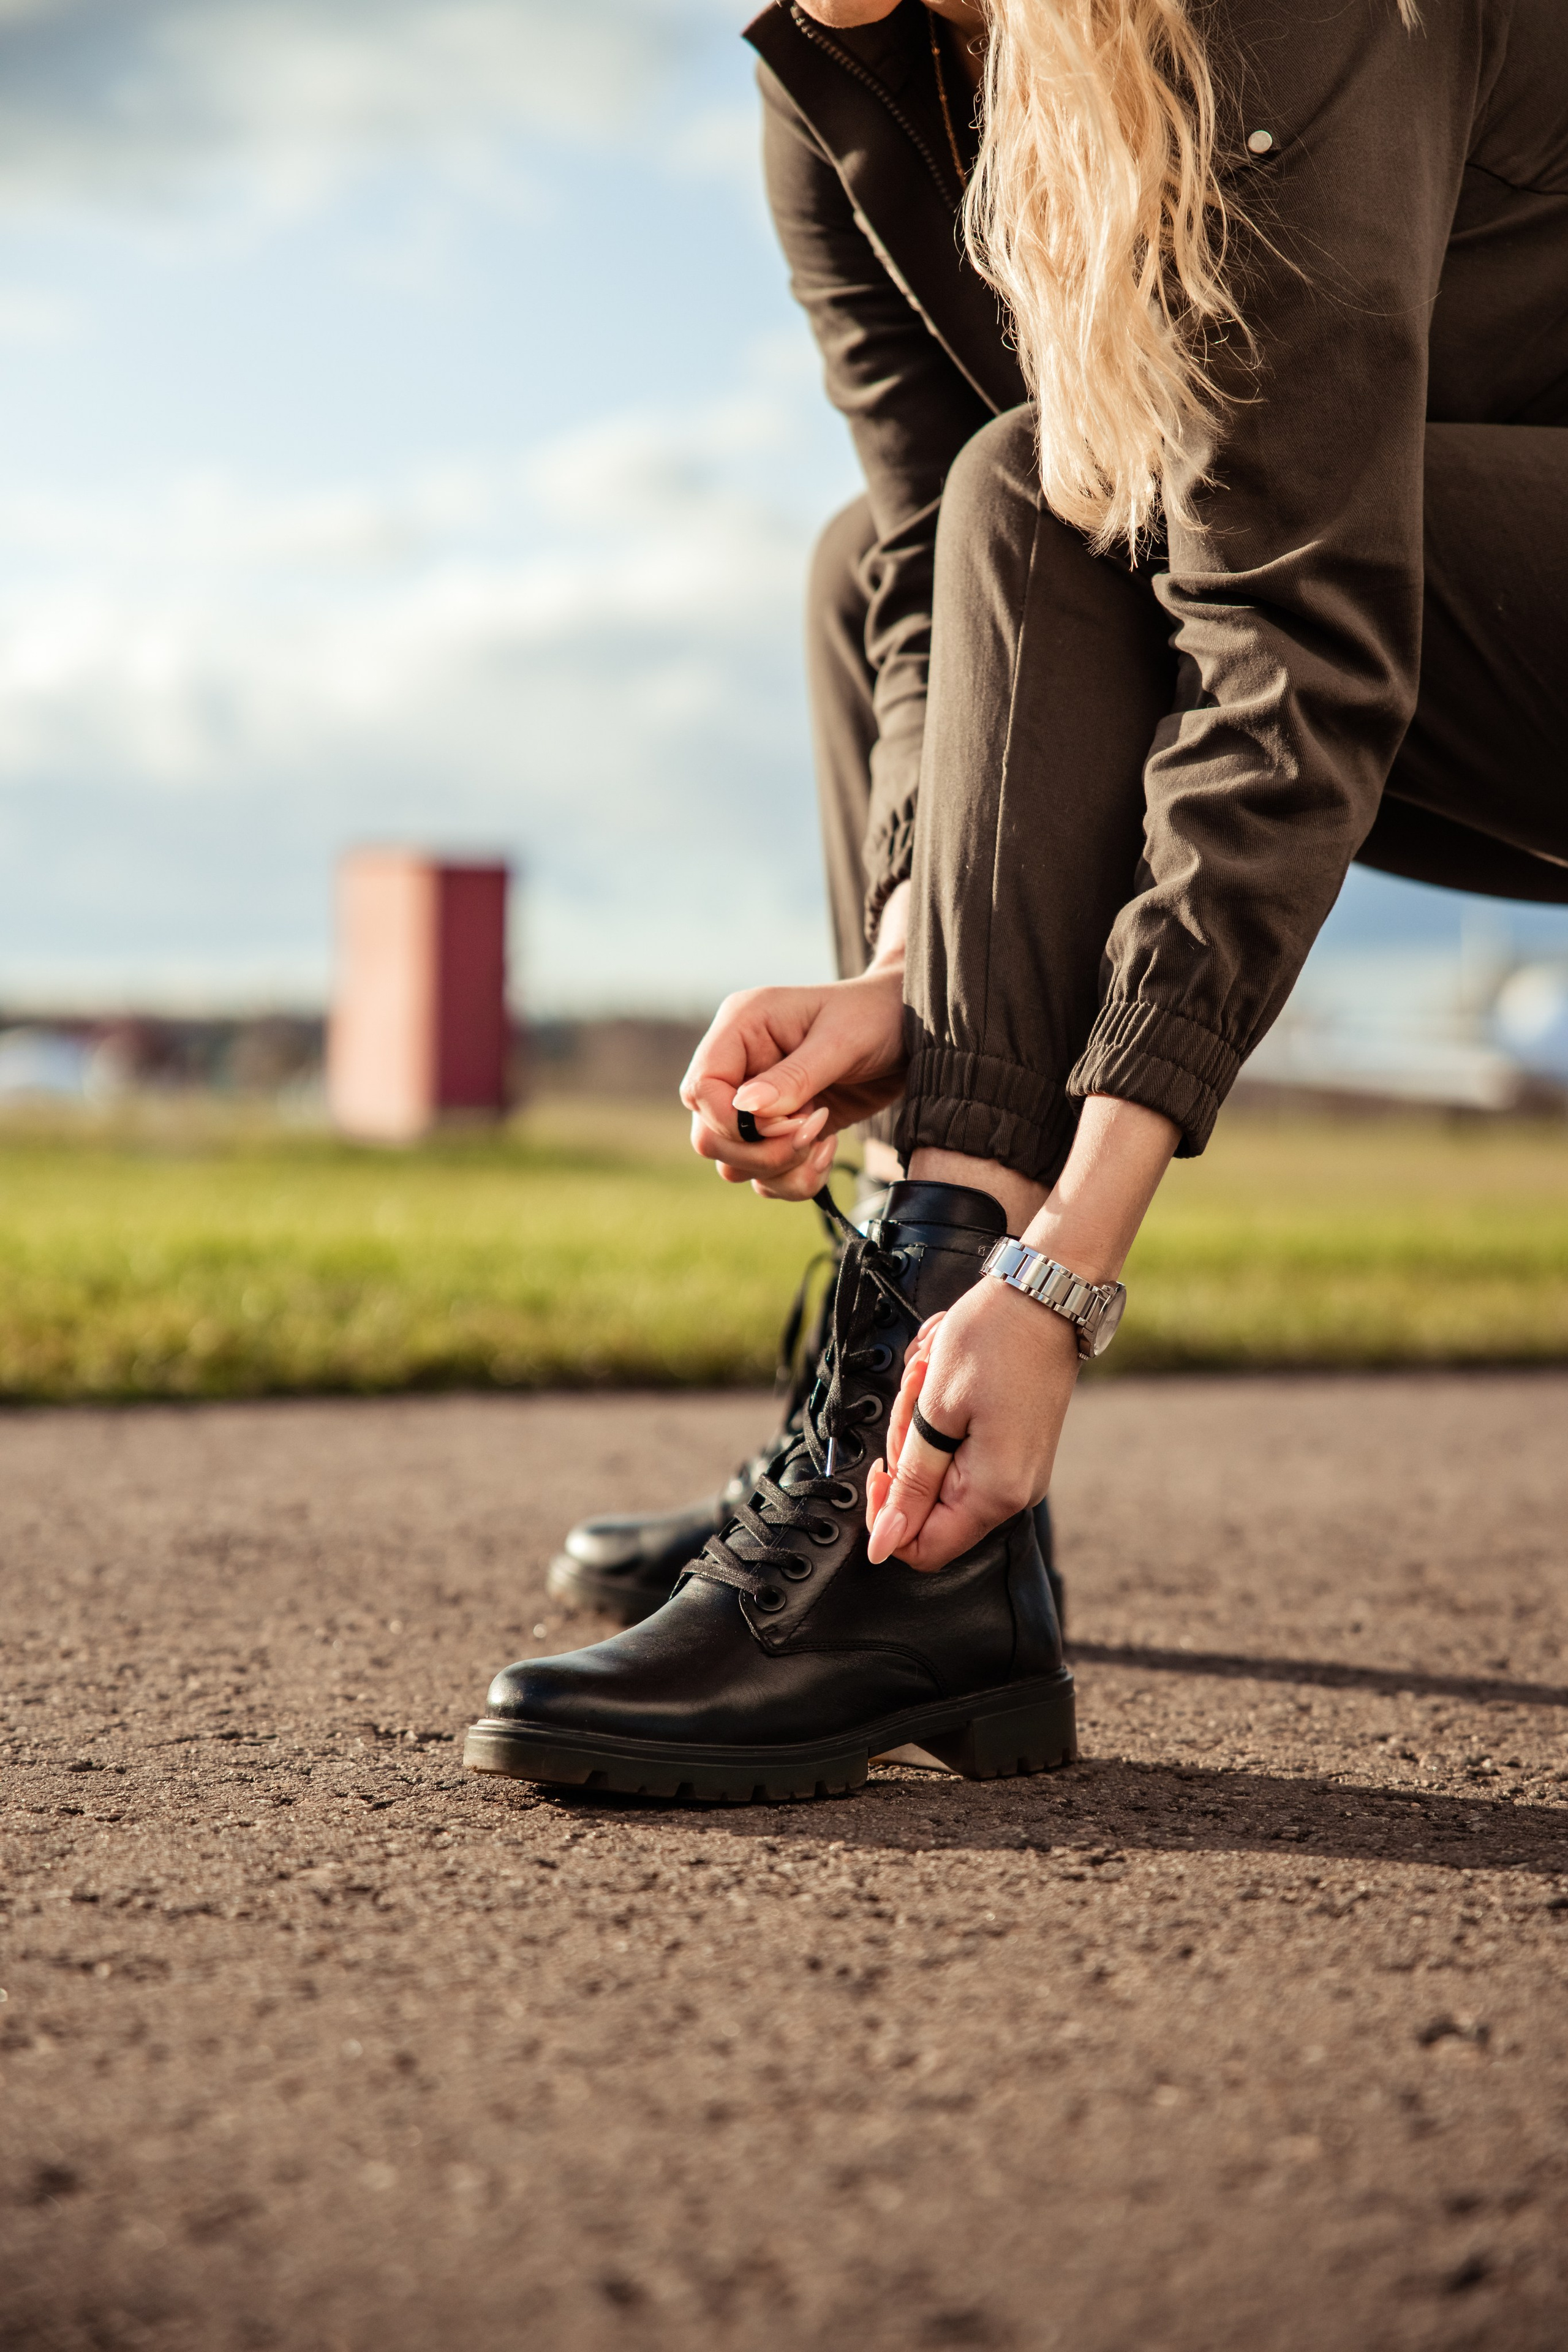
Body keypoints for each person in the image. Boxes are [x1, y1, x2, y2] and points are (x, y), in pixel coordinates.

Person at [467, 0, 1568, 1801]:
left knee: (1051, 492)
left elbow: (1291, 636)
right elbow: (927, 577)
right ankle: (910, 1476)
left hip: (1405, 602)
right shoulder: (836, 66)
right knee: (867, 569)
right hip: (1378, 588)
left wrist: (1063, 1271)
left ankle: (933, 1456)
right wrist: (906, 968)